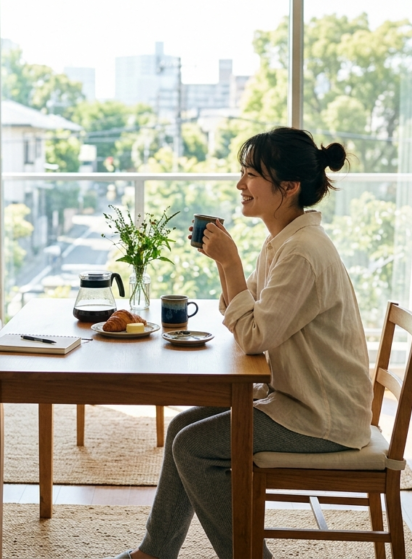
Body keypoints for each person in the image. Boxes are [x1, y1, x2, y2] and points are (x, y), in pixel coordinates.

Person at [106, 128, 373, 559]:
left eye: (250, 175)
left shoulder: (302, 253)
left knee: (192, 448)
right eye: (242, 173)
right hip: (296, 400)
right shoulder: (282, 242)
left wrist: (230, 260)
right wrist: (222, 264)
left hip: (320, 418)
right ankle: (154, 553)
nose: (240, 185)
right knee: (181, 429)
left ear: (288, 187)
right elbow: (243, 313)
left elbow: (251, 337)